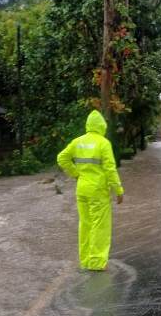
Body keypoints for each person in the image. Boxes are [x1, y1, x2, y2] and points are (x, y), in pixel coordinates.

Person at [57, 110, 124, 271]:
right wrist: (118, 190)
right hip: (98, 191)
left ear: (88, 125)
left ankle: (86, 260)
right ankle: (97, 262)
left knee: (85, 225)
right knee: (100, 226)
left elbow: (61, 158)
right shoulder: (103, 143)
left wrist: (75, 174)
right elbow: (110, 169)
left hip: (82, 189)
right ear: (102, 126)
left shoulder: (77, 142)